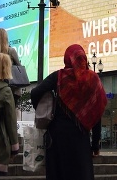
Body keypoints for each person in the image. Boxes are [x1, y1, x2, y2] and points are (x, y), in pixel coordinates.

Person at [30, 44, 107, 180]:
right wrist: (95, 145)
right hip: (80, 139)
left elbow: (35, 92)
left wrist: (46, 109)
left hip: (57, 137)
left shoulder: (59, 77)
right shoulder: (93, 79)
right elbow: (96, 114)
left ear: (67, 59)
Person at [0, 28, 22, 102]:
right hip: (12, 89)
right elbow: (20, 69)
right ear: (6, 38)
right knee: (11, 111)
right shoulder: (11, 51)